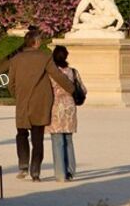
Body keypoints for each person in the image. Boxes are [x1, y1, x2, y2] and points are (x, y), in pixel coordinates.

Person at [6, 31, 75, 182]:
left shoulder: (16, 59)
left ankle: (23, 164)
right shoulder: (45, 57)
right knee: (37, 139)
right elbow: (57, 75)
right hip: (40, 103)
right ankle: (35, 172)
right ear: (36, 42)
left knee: (21, 134)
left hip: (23, 103)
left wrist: (18, 96)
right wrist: (71, 88)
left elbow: (11, 83)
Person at [47, 46, 86, 182]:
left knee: (57, 141)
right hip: (69, 107)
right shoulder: (72, 72)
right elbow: (83, 89)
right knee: (68, 141)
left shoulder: (50, 73)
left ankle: (60, 174)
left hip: (55, 107)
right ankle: (70, 171)